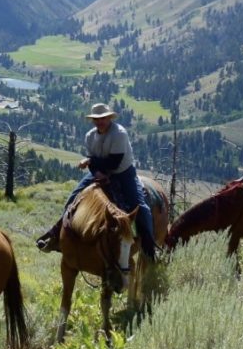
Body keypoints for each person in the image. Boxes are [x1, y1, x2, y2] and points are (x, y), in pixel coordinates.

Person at [36, 103, 156, 257]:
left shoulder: (119, 133)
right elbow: (94, 162)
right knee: (72, 200)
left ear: (109, 118)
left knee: (140, 207)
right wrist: (97, 172)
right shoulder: (90, 136)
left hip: (123, 173)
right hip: (99, 172)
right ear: (93, 120)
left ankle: (149, 248)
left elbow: (114, 162)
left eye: (103, 118)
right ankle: (58, 238)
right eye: (97, 119)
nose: (100, 122)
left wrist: (90, 161)